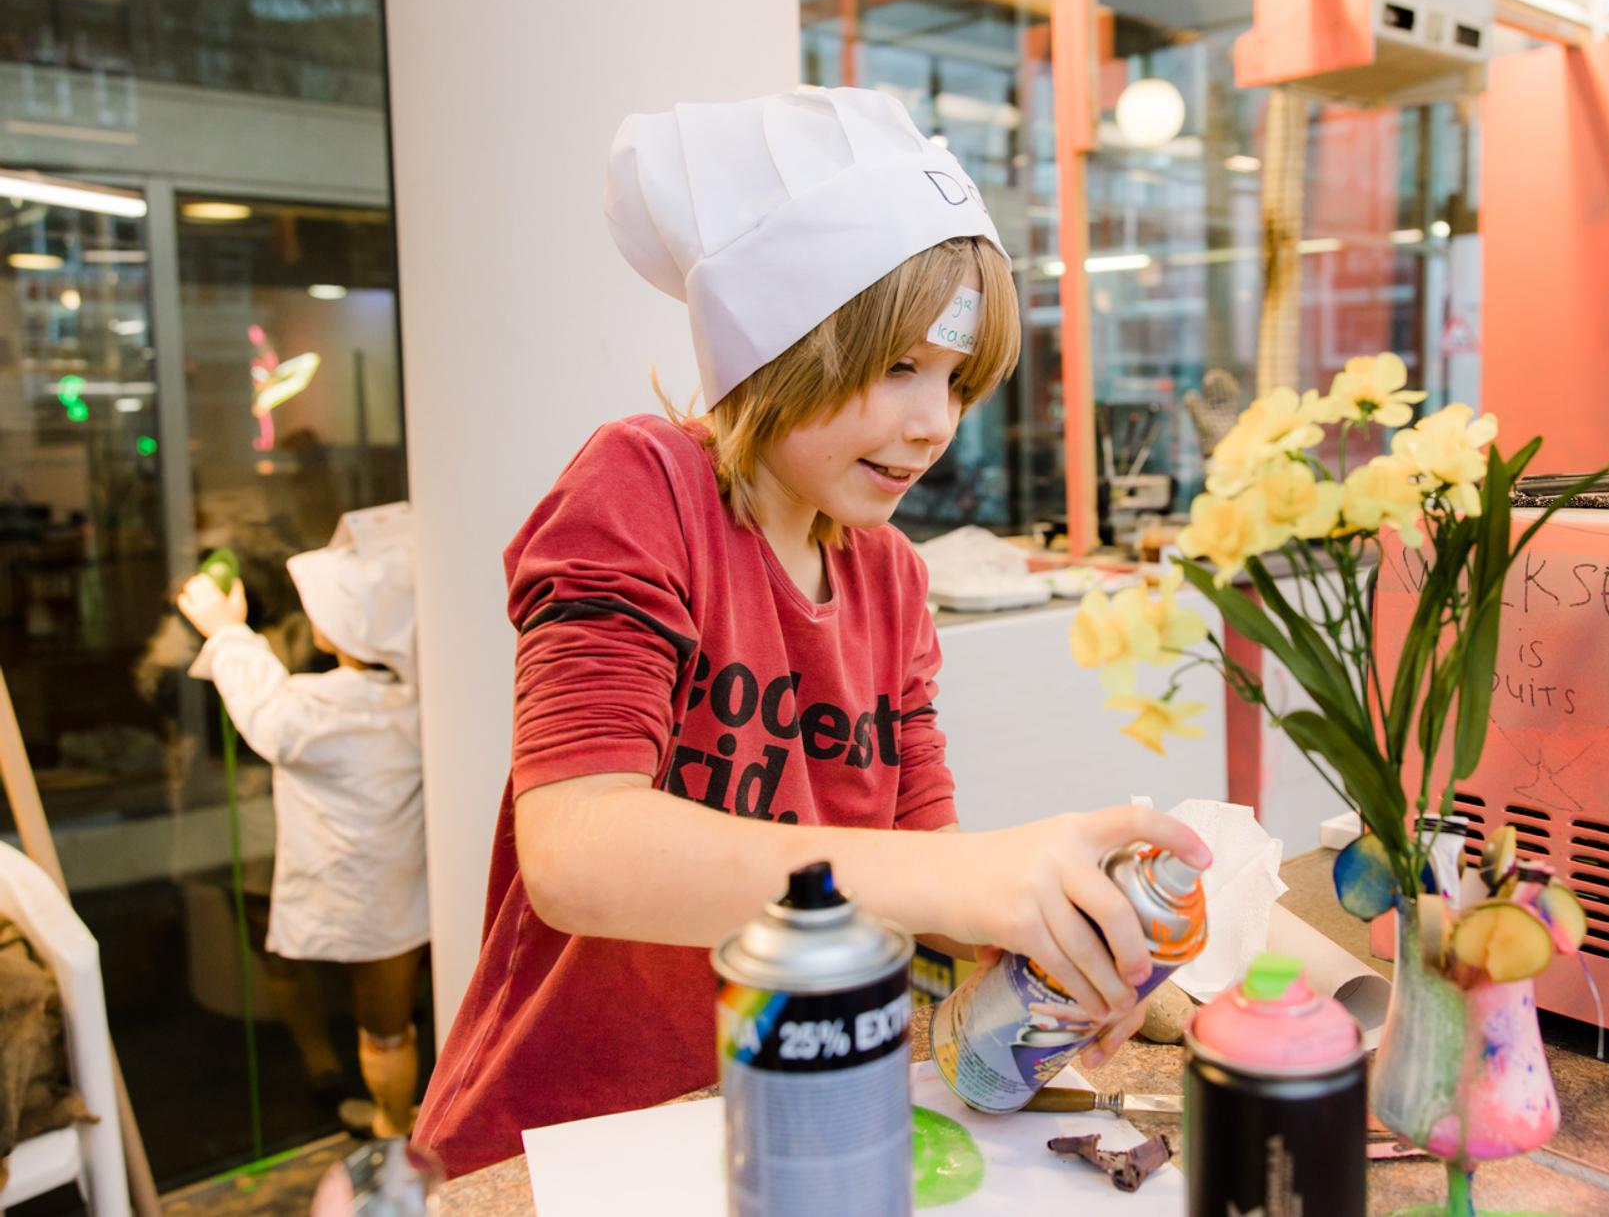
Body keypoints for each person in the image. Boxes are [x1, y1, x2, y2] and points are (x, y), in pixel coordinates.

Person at [413, 87, 1211, 1178]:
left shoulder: (888, 576)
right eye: (898, 367)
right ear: (782, 340)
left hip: (800, 1123)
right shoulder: (644, 488)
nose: (934, 423)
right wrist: (960, 879)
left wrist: (1047, 940)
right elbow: (575, 851)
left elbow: (923, 861)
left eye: (957, 383)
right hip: (573, 1141)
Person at [177, 502, 428, 1139]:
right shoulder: (423, 695)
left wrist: (225, 629)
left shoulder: (329, 711)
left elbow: (266, 707)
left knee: (384, 1029)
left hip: (370, 901)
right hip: (414, 886)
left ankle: (394, 1132)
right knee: (411, 1007)